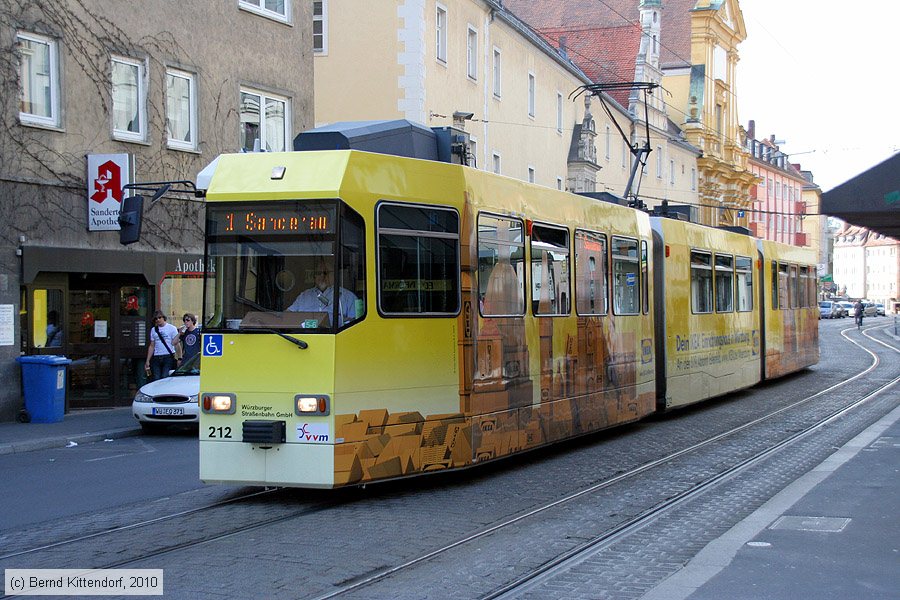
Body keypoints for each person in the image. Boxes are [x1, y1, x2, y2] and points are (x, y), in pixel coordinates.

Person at [287, 259, 359, 326]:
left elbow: (357, 322)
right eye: (318, 273)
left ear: (334, 275)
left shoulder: (347, 296)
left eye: (326, 273)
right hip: (304, 336)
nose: (322, 276)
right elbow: (288, 314)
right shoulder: (304, 296)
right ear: (314, 276)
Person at [145, 311, 178, 381]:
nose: (158, 320)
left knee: (165, 377)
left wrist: (180, 357)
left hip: (168, 356)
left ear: (163, 318)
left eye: (159, 317)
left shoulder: (172, 328)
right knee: (156, 378)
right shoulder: (153, 330)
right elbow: (152, 345)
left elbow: (177, 344)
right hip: (156, 356)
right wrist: (147, 360)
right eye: (156, 319)